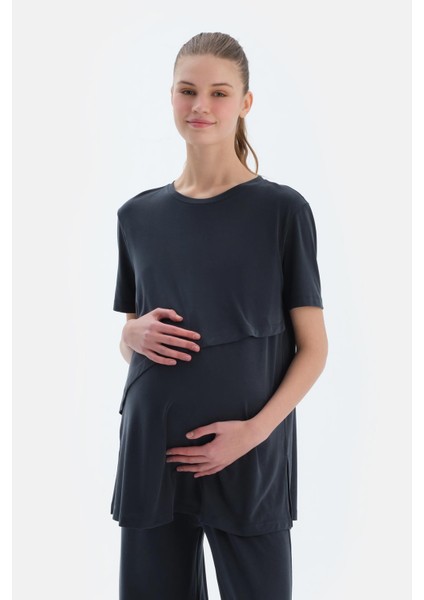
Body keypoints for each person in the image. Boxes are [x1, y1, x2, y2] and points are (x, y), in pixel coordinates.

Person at [111, 31, 328, 600]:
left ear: (245, 102)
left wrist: (253, 433)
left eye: (219, 92)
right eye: (187, 90)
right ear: (171, 96)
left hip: (248, 452)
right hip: (152, 453)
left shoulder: (282, 210)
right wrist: (129, 332)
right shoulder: (137, 216)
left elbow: (314, 348)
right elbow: (133, 343)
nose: (200, 106)